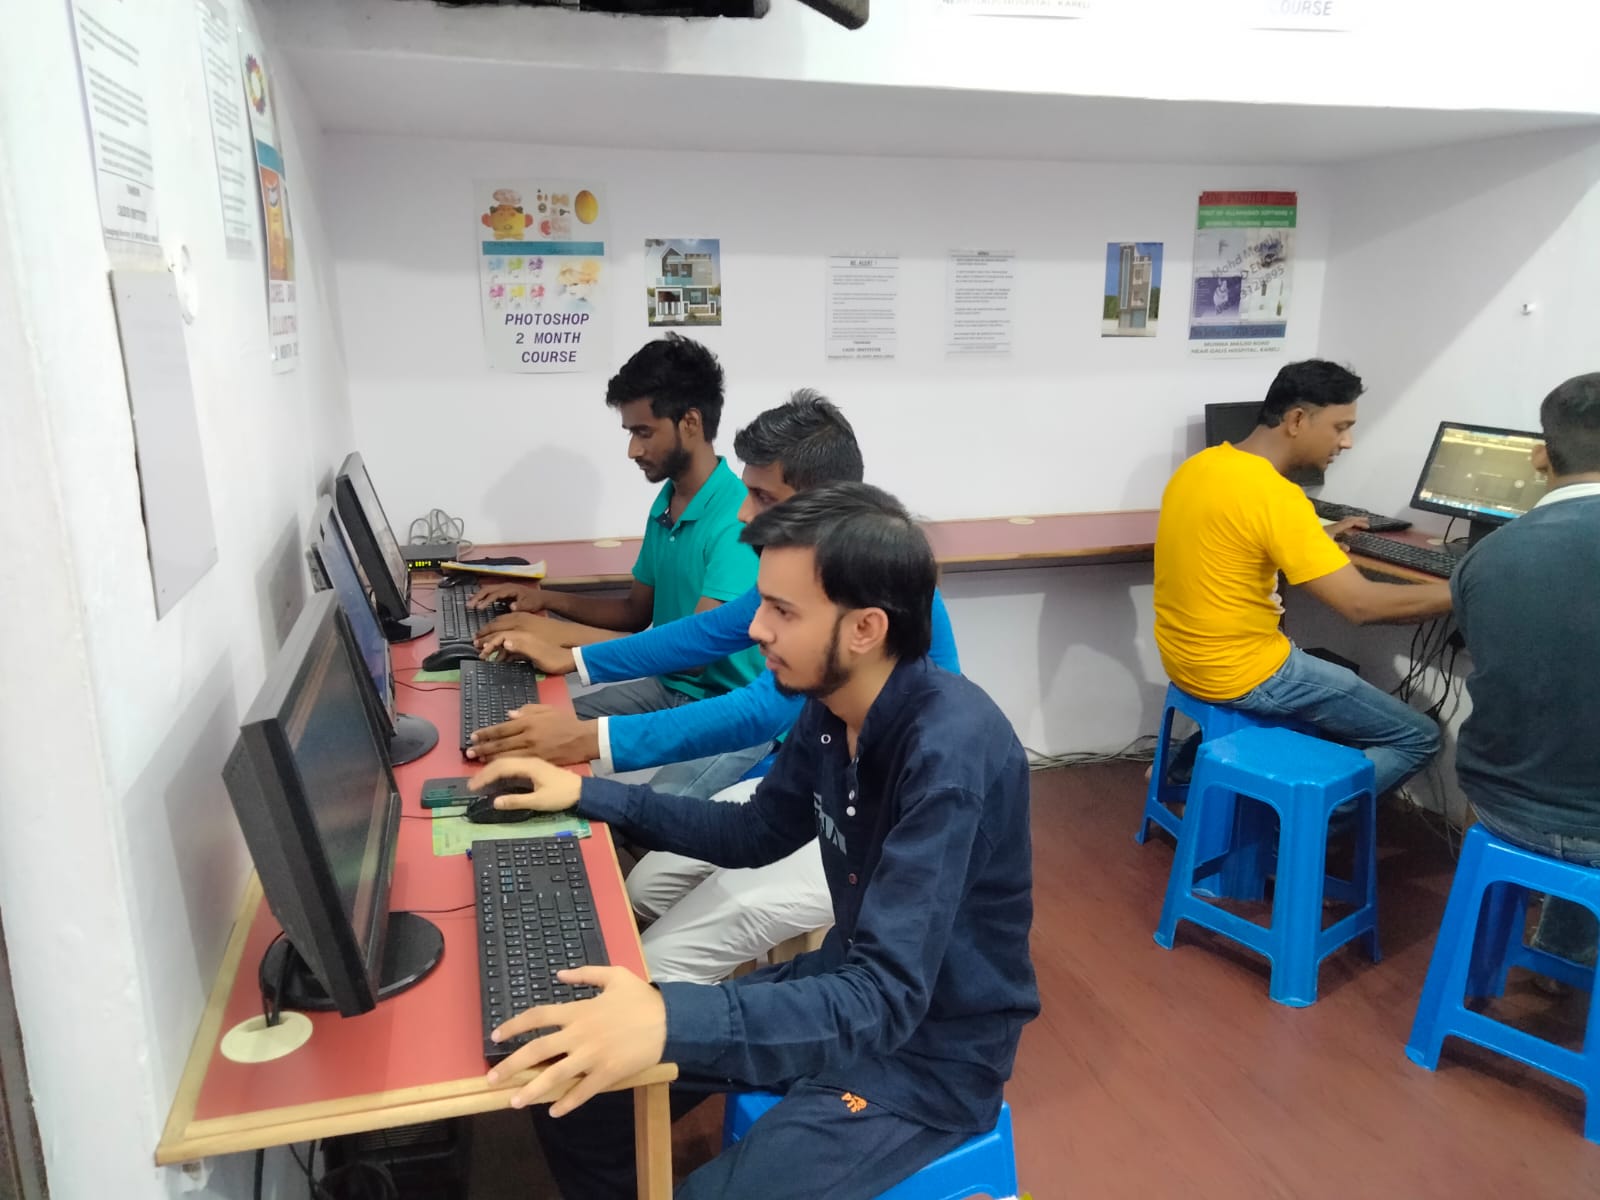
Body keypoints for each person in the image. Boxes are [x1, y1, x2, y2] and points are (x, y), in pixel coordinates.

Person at [467, 484, 1038, 1200]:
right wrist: (586, 794)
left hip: (929, 1059)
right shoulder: (832, 708)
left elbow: (886, 999)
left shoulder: (947, 756)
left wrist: (669, 1017)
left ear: (865, 628)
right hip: (843, 990)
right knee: (580, 1102)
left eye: (782, 611)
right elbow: (755, 831)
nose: (758, 629)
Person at [474, 393, 964, 983]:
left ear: (823, 506)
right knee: (645, 888)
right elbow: (704, 633)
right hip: (816, 790)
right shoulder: (803, 580)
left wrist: (587, 739)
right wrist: (575, 661)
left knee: (659, 964)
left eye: (763, 498)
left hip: (870, 829)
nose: (741, 513)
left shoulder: (869, 600)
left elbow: (760, 710)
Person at [1154, 359, 1449, 797]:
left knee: (1331, 682)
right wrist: (1463, 588)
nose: (1347, 442)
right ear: (1296, 420)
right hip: (1246, 672)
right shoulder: (1277, 497)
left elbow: (1238, 538)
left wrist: (1318, 536)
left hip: (1185, 658)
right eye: (1340, 427)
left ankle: (1184, 770)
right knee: (1418, 735)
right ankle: (1297, 825)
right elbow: (1361, 606)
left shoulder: (1203, 466)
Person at [467, 333, 764, 740]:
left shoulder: (735, 518)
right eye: (630, 433)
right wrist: (545, 601)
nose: (632, 450)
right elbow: (634, 613)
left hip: (722, 706)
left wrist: (564, 646)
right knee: (518, 727)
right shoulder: (668, 502)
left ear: (691, 423)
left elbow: (694, 654)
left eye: (644, 432)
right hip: (667, 688)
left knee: (561, 747)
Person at [1452, 373, 1600, 971]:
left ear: (1542, 455)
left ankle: (1492, 961)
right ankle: (1568, 958)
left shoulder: (1485, 556)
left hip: (1502, 805)